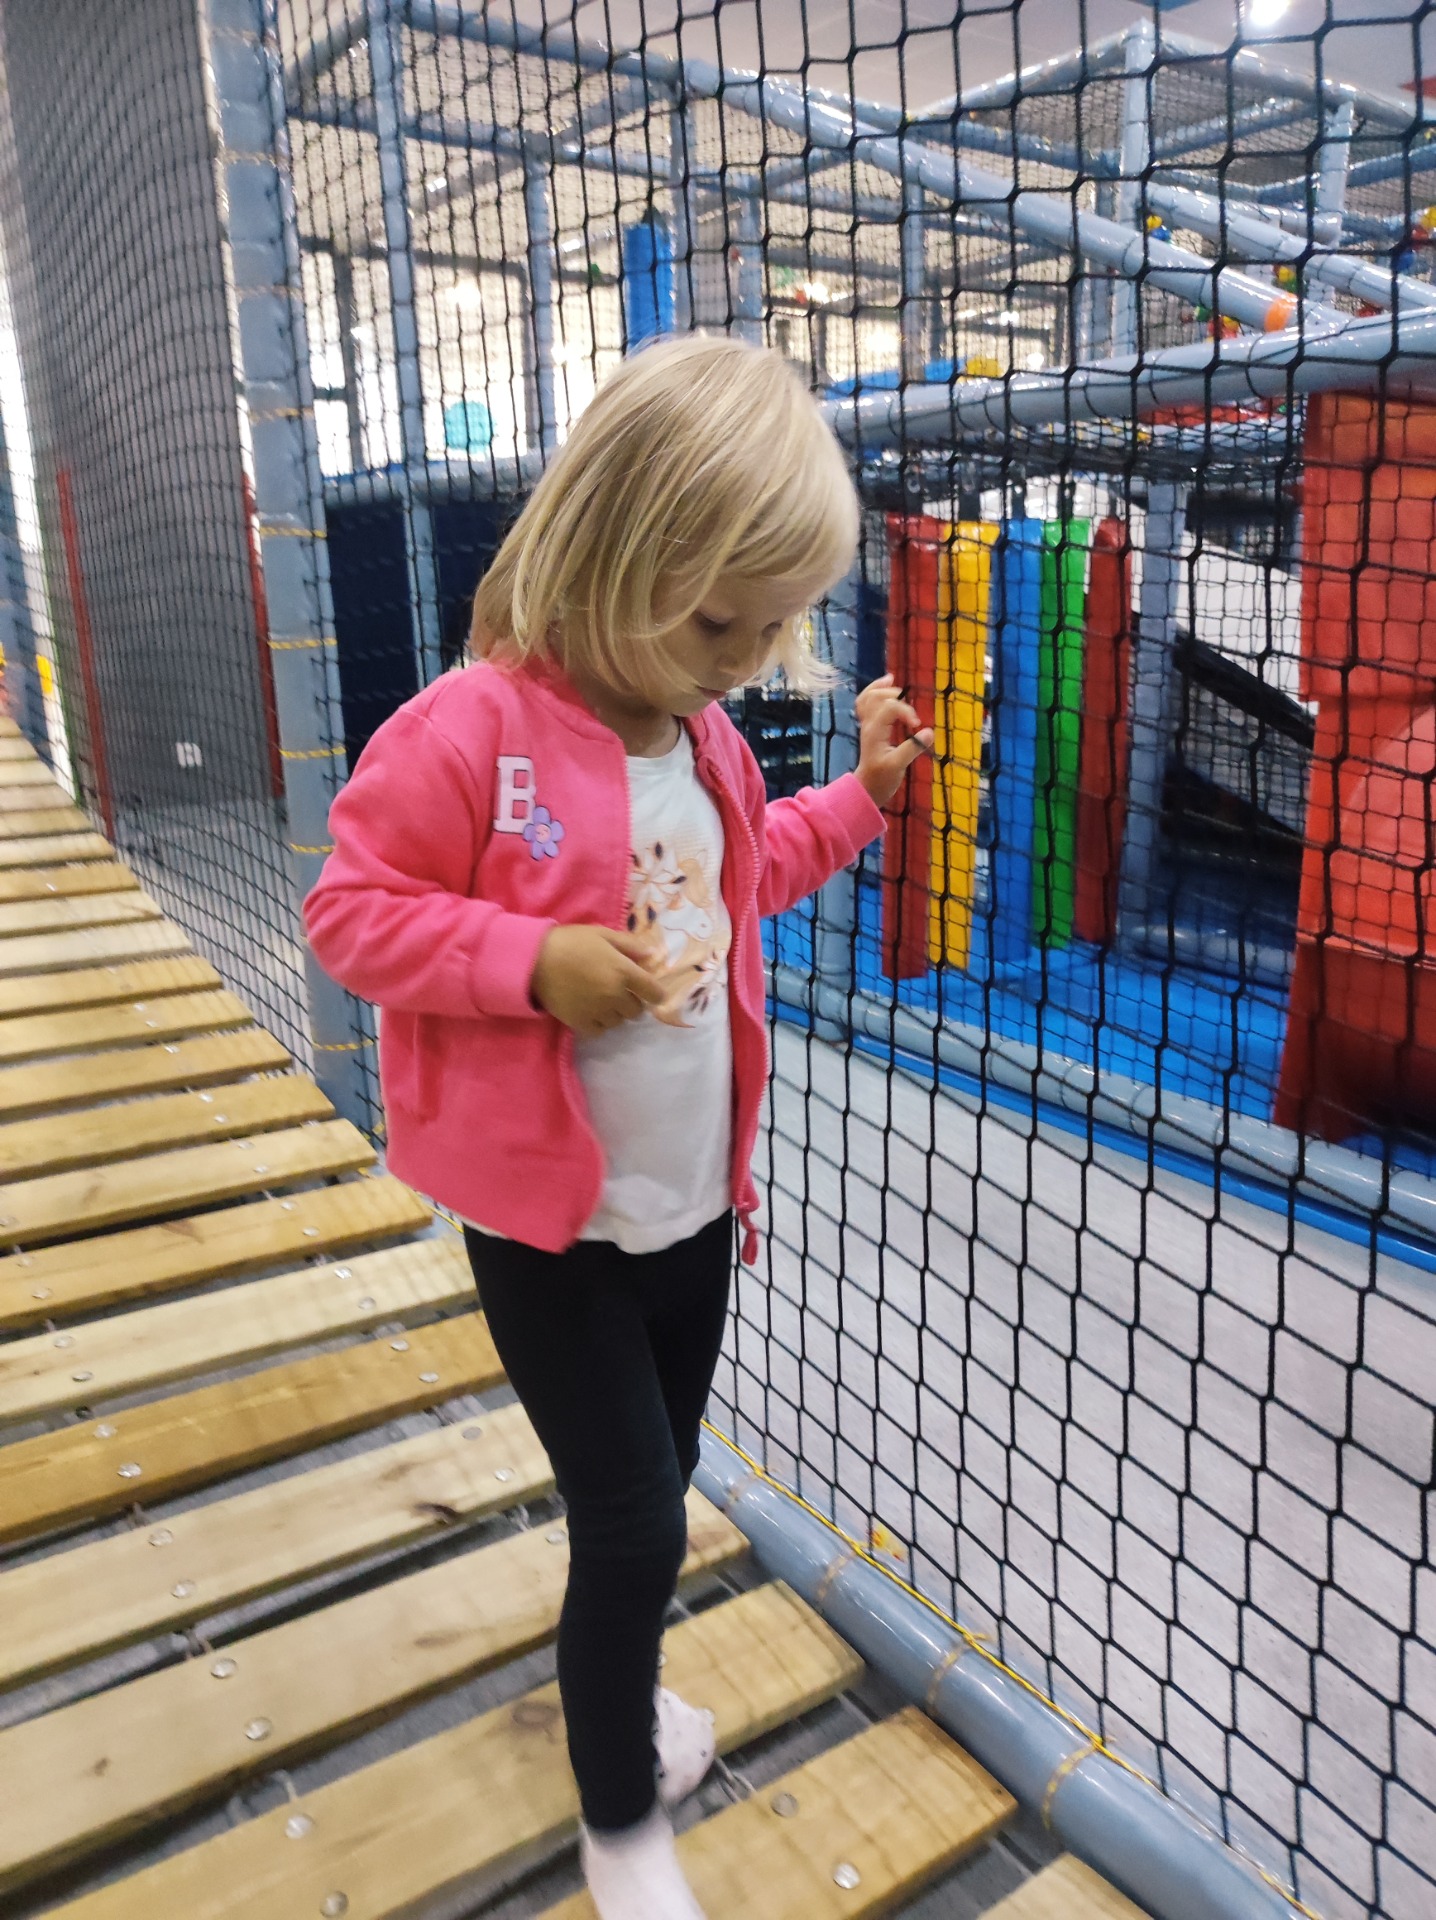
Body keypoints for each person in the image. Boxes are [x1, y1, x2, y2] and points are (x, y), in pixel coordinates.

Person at [303, 333, 931, 1920]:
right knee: (637, 1520)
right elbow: (350, 913)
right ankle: (620, 1824)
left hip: (692, 1211)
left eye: (774, 626)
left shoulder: (702, 740)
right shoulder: (471, 732)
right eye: (720, 622)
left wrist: (862, 799)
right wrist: (529, 962)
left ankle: (625, 1699)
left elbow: (746, 876)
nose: (745, 659)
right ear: (612, 549)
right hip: (554, 1233)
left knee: (662, 1486)